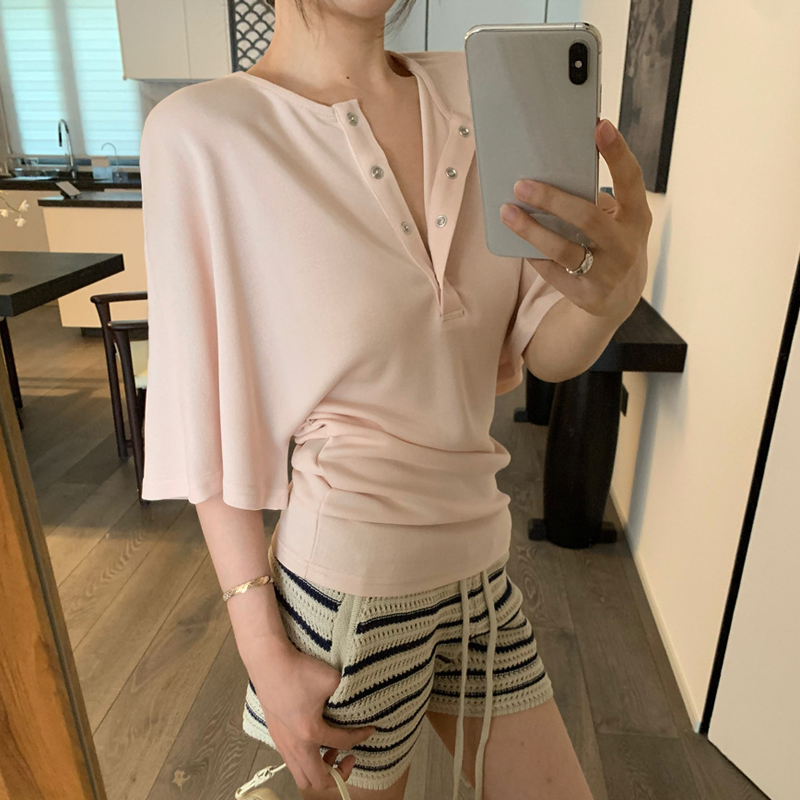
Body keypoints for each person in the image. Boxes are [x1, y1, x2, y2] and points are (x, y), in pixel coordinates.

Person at [137, 0, 652, 798]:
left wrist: (613, 294)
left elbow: (544, 350)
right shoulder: (205, 132)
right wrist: (264, 653)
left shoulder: (482, 96)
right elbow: (199, 414)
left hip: (482, 575)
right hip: (352, 594)